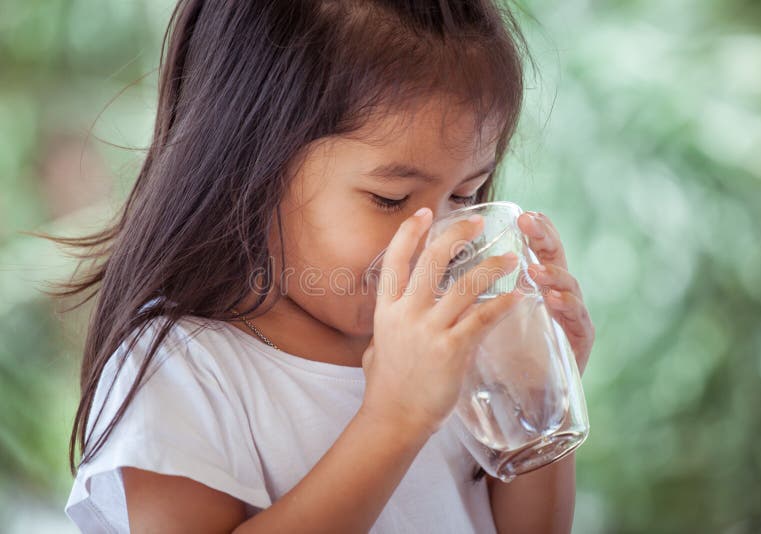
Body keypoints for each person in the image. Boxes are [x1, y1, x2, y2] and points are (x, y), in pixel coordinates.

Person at [55, 1, 595, 532]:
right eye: (391, 198)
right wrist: (394, 419)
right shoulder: (183, 366)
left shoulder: (449, 343)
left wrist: (538, 400)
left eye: (464, 193)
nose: (439, 236)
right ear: (251, 164)